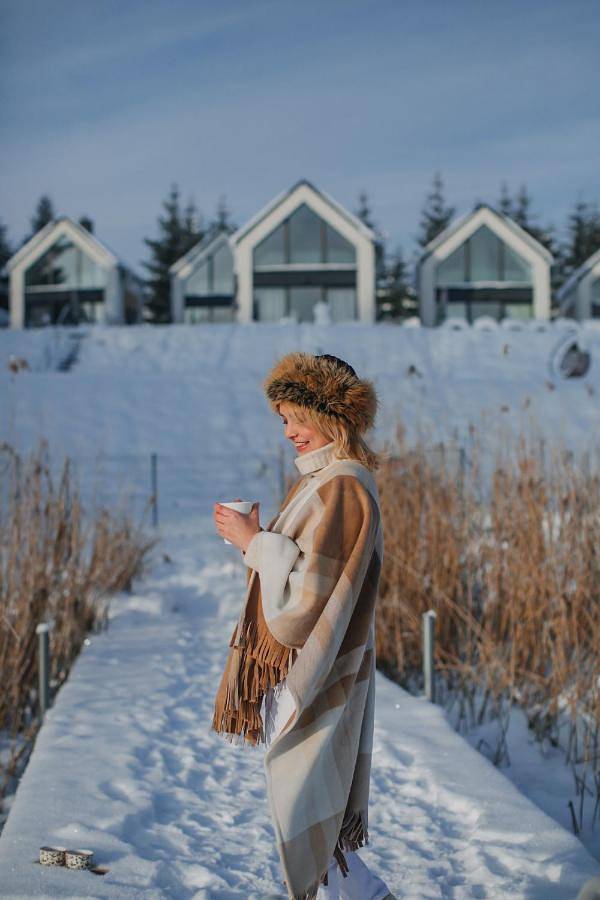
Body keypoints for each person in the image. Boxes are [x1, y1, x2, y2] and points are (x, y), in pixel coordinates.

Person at [212, 352, 395, 900]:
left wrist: (254, 542)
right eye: (284, 419)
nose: (289, 432)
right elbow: (309, 572)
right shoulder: (324, 480)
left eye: (297, 418)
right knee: (310, 809)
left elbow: (305, 609)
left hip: (314, 673)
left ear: (333, 417)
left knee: (308, 805)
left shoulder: (342, 486)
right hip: (312, 671)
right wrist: (257, 543)